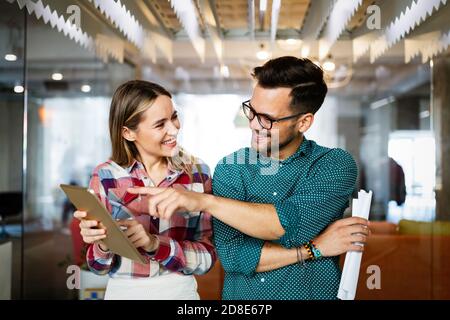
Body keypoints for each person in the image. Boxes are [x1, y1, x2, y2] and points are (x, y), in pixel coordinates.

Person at [128, 57, 370, 300]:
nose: (254, 124)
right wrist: (315, 248)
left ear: (303, 122)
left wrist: (205, 202)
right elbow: (233, 256)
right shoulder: (231, 168)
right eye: (252, 111)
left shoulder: (333, 164)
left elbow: (288, 226)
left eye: (268, 119)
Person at [73, 80, 216, 300]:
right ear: (128, 133)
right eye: (160, 124)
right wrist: (102, 243)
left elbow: (207, 257)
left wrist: (154, 244)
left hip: (181, 293)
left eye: (174, 117)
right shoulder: (105, 177)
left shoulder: (198, 173)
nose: (174, 129)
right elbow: (97, 267)